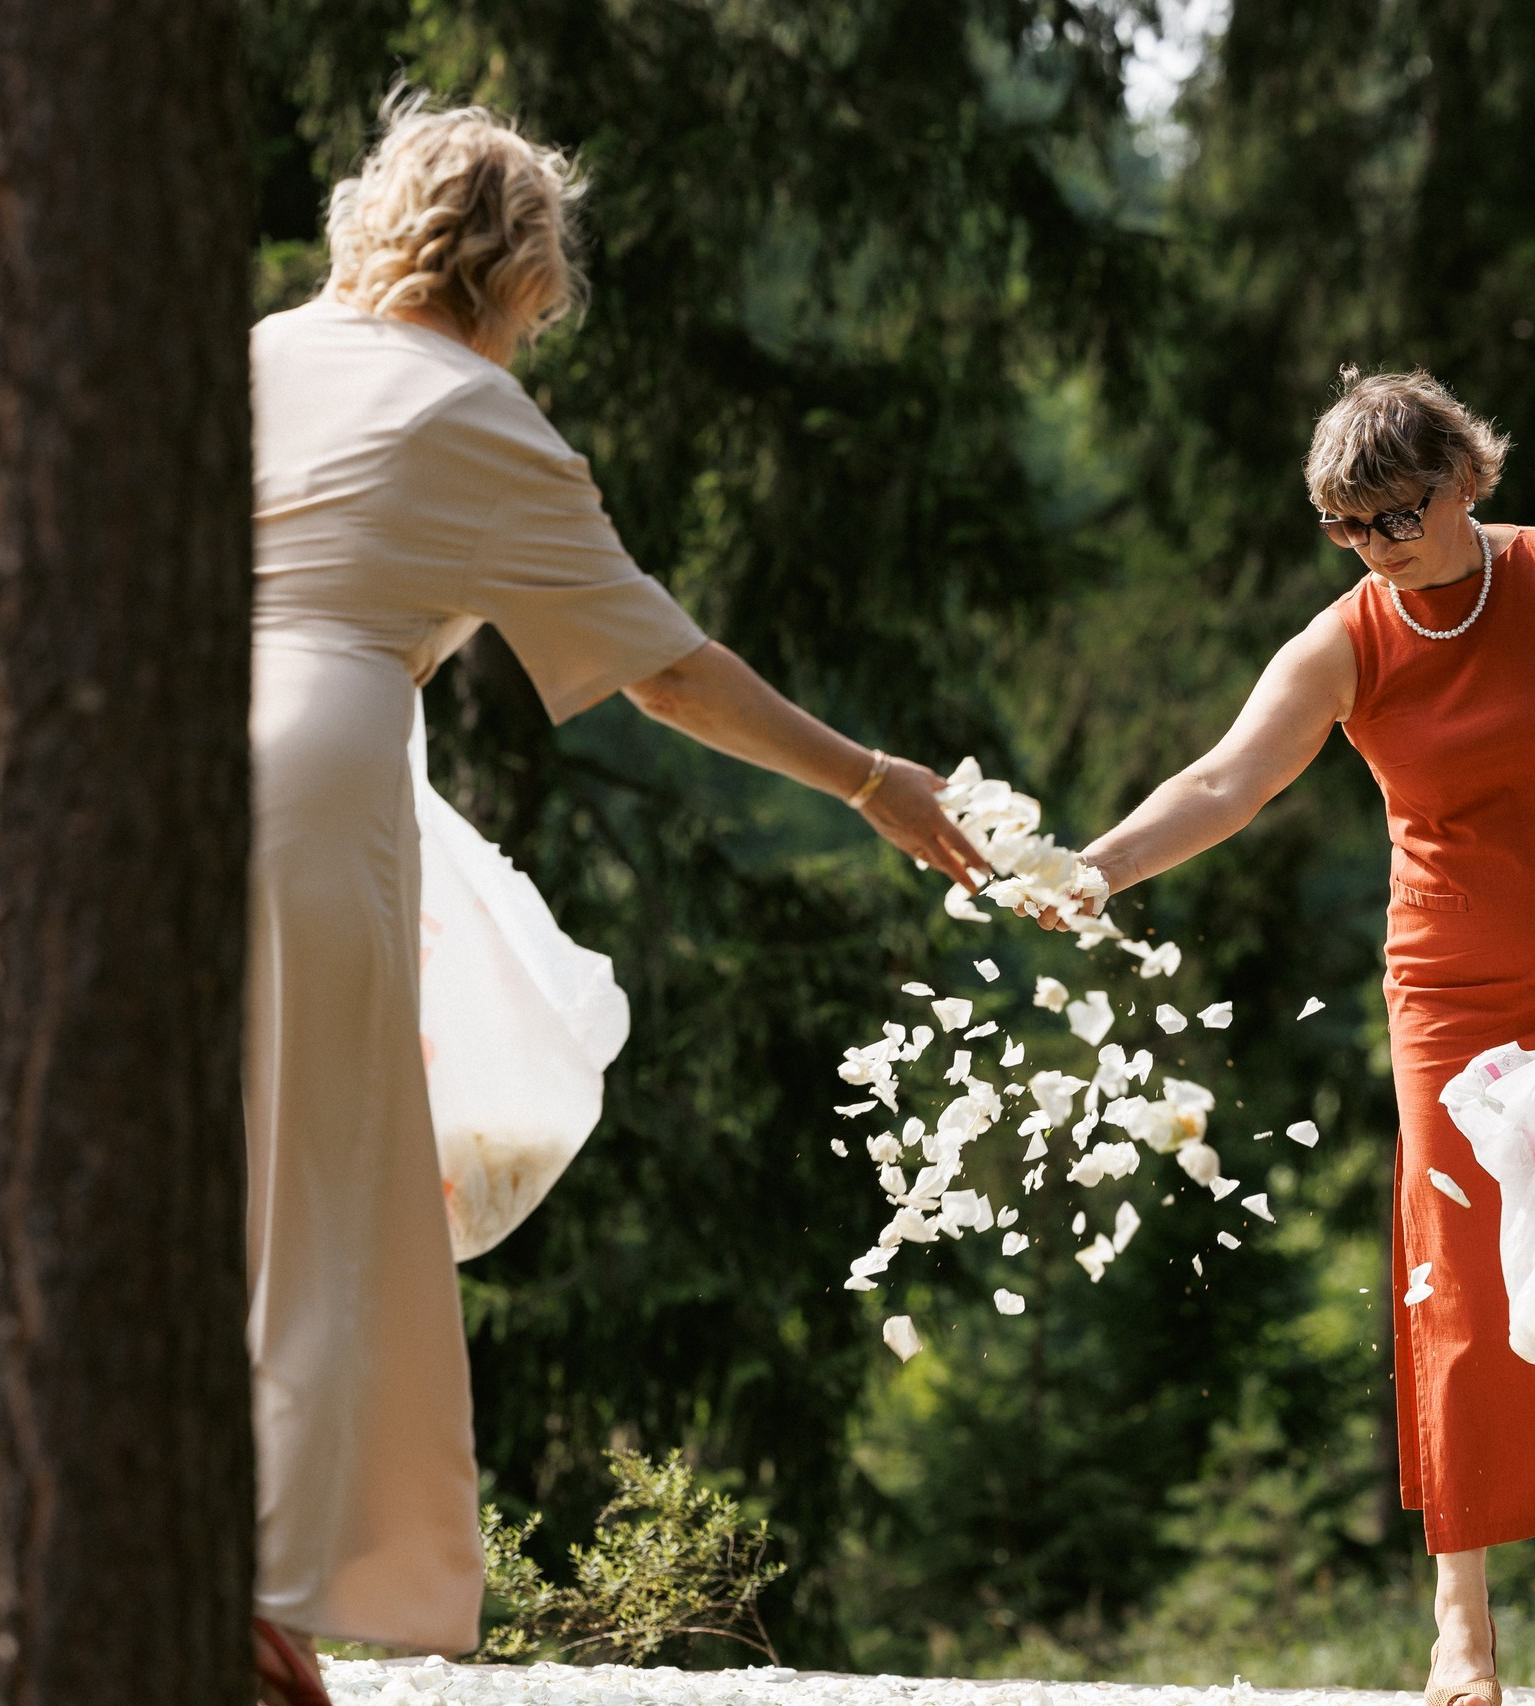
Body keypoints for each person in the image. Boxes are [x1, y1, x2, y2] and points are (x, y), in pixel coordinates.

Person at [241, 97, 983, 1706]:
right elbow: (667, 671)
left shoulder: (257, 350)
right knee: (311, 1189)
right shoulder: (478, 415)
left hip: (139, 763)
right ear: (523, 268)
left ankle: (192, 1572)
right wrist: (869, 778)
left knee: (187, 1160)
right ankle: (245, 1589)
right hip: (308, 783)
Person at [1069, 369, 1535, 1699]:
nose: (1379, 547)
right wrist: (1095, 867)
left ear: (1467, 477)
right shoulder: (1346, 640)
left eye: (1398, 514)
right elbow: (1225, 779)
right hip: (1456, 1000)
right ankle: (1463, 1617)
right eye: (1350, 528)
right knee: (1461, 1282)